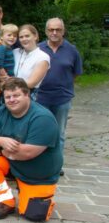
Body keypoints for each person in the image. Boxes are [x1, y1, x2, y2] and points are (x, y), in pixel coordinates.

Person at [0, 78, 62, 222]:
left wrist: (0, 150)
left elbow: (27, 153)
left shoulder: (42, 118)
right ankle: (5, 200)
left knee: (35, 215)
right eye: (8, 97)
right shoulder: (2, 111)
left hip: (37, 174)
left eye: (16, 95)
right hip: (13, 163)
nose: (11, 100)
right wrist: (1, 141)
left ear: (27, 95)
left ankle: (29, 192)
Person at [37, 18, 82, 150]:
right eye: (51, 30)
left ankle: (57, 161)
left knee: (59, 134)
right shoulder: (38, 49)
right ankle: (41, 160)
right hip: (40, 98)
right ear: (46, 31)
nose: (54, 33)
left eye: (58, 30)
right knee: (41, 132)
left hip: (62, 99)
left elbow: (76, 73)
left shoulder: (72, 50)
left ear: (63, 31)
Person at [13, 24, 50, 94]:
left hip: (29, 94)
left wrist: (7, 81)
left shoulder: (43, 57)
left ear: (35, 36)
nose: (24, 39)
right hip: (10, 94)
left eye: (27, 36)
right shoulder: (15, 52)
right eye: (21, 37)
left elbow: (31, 83)